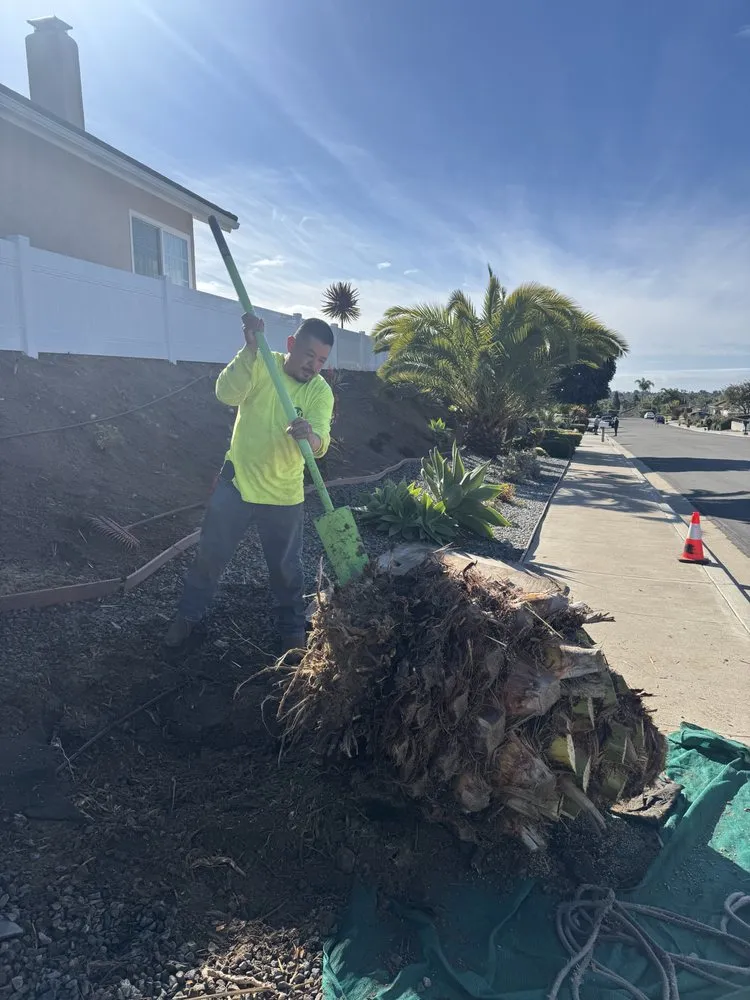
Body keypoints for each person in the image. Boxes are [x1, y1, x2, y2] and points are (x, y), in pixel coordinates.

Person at [164, 313, 335, 654]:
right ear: (290, 345)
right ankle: (187, 616)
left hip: (284, 495)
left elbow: (322, 443)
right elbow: (225, 393)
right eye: (308, 356)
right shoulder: (262, 364)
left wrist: (310, 437)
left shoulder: (320, 392)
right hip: (238, 483)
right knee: (210, 556)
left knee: (287, 572)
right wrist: (249, 350)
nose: (313, 366)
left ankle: (292, 636)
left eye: (321, 360)